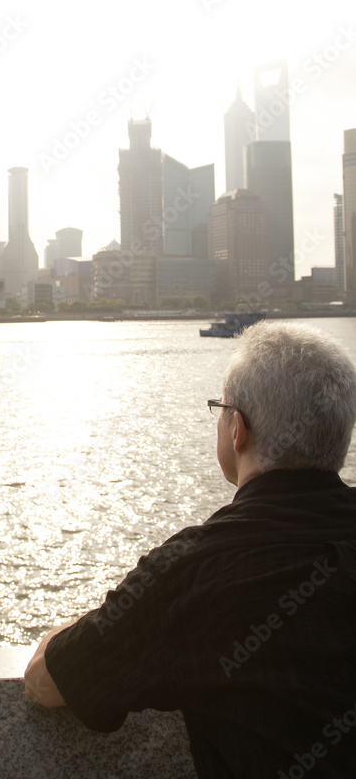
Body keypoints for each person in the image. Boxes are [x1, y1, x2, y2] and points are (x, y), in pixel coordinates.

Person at [24, 321, 356, 778]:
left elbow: (49, 677)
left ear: (237, 429)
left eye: (220, 410)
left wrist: (101, 616)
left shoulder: (193, 571)